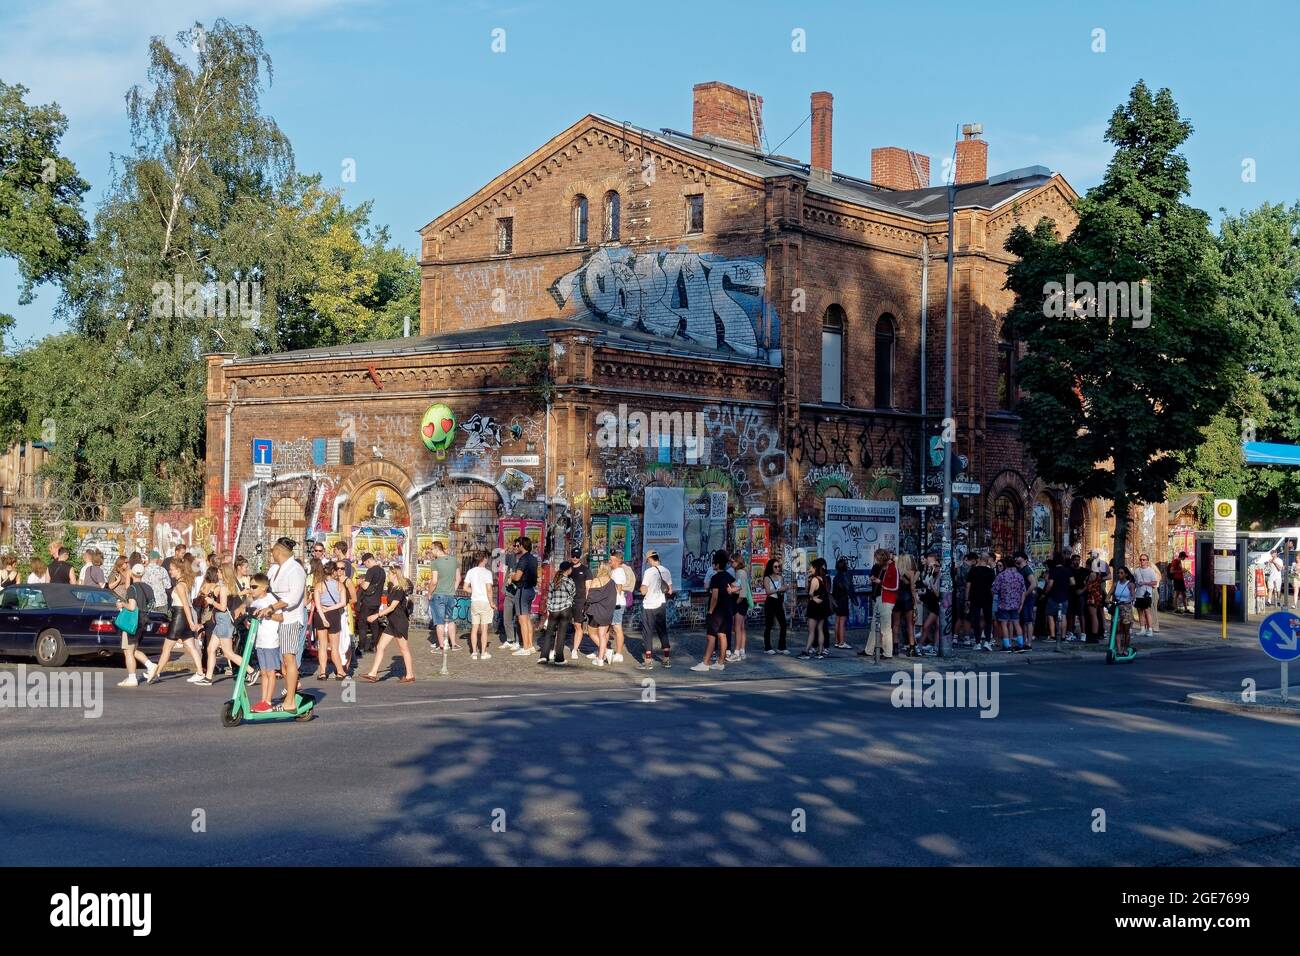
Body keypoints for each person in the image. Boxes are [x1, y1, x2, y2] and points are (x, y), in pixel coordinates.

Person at [259, 537, 308, 706]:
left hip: (290, 620)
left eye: (272, 551)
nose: (271, 554)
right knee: (282, 663)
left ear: (278, 552)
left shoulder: (296, 570)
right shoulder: (276, 569)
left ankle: (290, 700)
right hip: (276, 620)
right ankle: (291, 688)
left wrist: (272, 607)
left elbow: (293, 598)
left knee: (289, 659)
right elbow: (266, 589)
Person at [146, 561, 206, 683]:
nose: (170, 571)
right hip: (183, 616)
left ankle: (156, 673)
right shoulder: (185, 584)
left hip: (179, 616)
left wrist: (190, 622)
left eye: (171, 569)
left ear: (178, 570)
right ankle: (200, 672)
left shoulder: (179, 586)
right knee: (190, 646)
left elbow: (185, 604)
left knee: (167, 648)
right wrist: (190, 622)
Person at [361, 564, 416, 683]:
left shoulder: (399, 590)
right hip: (392, 623)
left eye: (390, 574)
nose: (388, 576)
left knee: (404, 649)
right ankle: (373, 673)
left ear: (395, 574)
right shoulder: (393, 588)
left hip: (400, 623)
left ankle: (410, 675)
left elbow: (392, 607)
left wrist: (377, 615)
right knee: (380, 646)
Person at [199, 564, 247, 685]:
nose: (217, 574)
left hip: (224, 623)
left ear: (223, 574)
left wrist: (212, 602)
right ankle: (208, 677)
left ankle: (250, 670)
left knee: (228, 653)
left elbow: (223, 607)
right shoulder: (224, 587)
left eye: (219, 572)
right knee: (211, 649)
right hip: (220, 622)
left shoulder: (224, 588)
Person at [113, 563, 158, 687]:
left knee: (128, 651)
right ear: (142, 574)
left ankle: (132, 678)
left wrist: (122, 604)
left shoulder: (132, 588)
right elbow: (151, 604)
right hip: (144, 620)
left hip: (133, 621)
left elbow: (132, 607)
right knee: (134, 649)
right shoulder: (149, 588)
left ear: (132, 574)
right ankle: (150, 665)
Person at [246, 573, 286, 712]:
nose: (251, 589)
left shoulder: (271, 600)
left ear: (264, 587)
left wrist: (267, 613)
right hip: (259, 641)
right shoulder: (254, 602)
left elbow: (281, 617)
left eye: (254, 586)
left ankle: (268, 702)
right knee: (263, 673)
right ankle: (263, 700)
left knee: (270, 672)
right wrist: (249, 621)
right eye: (250, 586)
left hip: (270, 640)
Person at [694, 550, 735, 671]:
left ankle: (705, 662)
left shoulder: (715, 578)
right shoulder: (729, 575)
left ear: (717, 565)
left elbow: (715, 597)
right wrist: (732, 591)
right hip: (727, 609)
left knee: (711, 636)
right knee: (722, 635)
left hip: (717, 612)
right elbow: (739, 586)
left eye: (714, 563)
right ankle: (720, 662)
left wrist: (710, 611)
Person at [311, 559, 348, 679]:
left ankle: (322, 672)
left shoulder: (318, 585)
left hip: (321, 615)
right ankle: (340, 671)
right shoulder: (340, 585)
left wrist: (323, 615)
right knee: (334, 647)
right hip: (334, 615)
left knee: (322, 646)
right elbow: (342, 603)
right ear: (334, 572)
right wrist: (331, 608)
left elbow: (317, 604)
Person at [638, 549, 673, 668]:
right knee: (662, 630)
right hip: (661, 603)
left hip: (649, 604)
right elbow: (670, 590)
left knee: (648, 631)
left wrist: (641, 588)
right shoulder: (666, 571)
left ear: (649, 559)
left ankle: (648, 661)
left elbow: (643, 591)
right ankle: (667, 658)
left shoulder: (648, 572)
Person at [537, 561, 575, 665]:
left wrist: (549, 608)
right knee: (561, 634)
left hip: (553, 610)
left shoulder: (553, 581)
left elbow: (549, 597)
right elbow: (572, 596)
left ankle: (543, 656)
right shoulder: (570, 582)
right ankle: (559, 658)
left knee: (548, 634)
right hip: (565, 610)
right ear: (568, 570)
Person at [864, 549, 898, 660]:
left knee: (886, 627)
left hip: (887, 599)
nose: (876, 561)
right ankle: (869, 650)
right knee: (874, 625)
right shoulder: (883, 568)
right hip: (880, 598)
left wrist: (881, 583)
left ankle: (888, 652)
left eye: (877, 559)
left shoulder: (893, 568)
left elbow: (895, 586)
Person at [581, 561, 616, 666]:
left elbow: (590, 597)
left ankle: (605, 652)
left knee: (592, 633)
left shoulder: (596, 580)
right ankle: (601, 658)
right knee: (602, 635)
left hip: (596, 612)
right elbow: (614, 597)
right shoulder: (612, 582)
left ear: (601, 569)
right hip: (608, 612)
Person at [429, 540, 461, 652]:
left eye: (431, 549)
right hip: (450, 595)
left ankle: (442, 646)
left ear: (437, 549)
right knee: (450, 619)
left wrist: (429, 593)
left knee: (439, 621)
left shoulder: (435, 563)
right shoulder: (453, 561)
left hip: (438, 594)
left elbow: (434, 581)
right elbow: (458, 578)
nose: (431, 551)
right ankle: (453, 644)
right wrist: (453, 590)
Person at [462, 550, 495, 659]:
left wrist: (475, 591)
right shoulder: (487, 573)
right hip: (485, 601)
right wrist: (491, 602)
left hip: (475, 601)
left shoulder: (471, 571)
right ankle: (484, 652)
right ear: (484, 559)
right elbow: (489, 589)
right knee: (484, 629)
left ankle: (474, 652)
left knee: (474, 628)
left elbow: (465, 588)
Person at [510, 536, 539, 656]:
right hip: (531, 590)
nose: (517, 546)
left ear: (522, 545)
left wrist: (511, 575)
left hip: (523, 590)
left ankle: (526, 647)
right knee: (527, 619)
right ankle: (530, 645)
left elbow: (517, 577)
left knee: (522, 620)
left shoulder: (523, 559)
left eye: (519, 545)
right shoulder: (533, 558)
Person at [993, 556, 1027, 652]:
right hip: (1016, 603)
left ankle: (1006, 645)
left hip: (1004, 603)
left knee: (1004, 624)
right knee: (1016, 623)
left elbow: (995, 590)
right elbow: (1023, 590)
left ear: (1005, 565)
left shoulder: (1001, 576)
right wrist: (1021, 603)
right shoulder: (1019, 576)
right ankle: (1020, 644)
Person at [608, 552, 636, 664]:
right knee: (607, 627)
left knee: (617, 628)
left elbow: (618, 589)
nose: (610, 562)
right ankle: (603, 650)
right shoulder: (614, 571)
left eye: (612, 560)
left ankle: (619, 654)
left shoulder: (619, 572)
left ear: (618, 561)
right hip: (613, 603)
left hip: (617, 603)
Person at [356, 552, 385, 656]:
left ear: (368, 560)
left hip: (368, 601)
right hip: (377, 601)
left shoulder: (371, 570)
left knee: (362, 624)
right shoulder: (382, 571)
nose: (365, 566)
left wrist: (360, 582)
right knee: (374, 624)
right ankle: (373, 645)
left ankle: (362, 647)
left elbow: (365, 586)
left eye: (365, 563)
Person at [761, 556, 792, 654]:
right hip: (770, 601)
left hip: (779, 601)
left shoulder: (781, 577)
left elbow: (783, 589)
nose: (778, 568)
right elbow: (768, 591)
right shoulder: (767, 578)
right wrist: (779, 589)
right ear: (771, 567)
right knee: (769, 625)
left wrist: (785, 588)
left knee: (783, 624)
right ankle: (767, 647)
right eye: (775, 567)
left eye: (779, 567)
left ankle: (782, 646)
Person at [965, 552, 995, 651]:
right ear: (987, 560)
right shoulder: (991, 572)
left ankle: (977, 642)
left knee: (976, 620)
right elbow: (993, 587)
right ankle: (987, 641)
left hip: (975, 597)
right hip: (987, 597)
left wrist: (967, 598)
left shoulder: (973, 570)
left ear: (979, 559)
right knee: (988, 620)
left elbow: (968, 585)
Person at [892, 554, 918, 657]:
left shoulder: (896, 571)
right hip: (907, 599)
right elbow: (912, 588)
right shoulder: (910, 572)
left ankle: (895, 648)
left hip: (897, 599)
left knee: (896, 624)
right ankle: (912, 648)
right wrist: (915, 602)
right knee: (910, 624)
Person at [566, 547, 589, 658]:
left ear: (580, 557)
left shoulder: (585, 570)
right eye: (573, 556)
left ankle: (574, 649)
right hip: (566, 600)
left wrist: (587, 602)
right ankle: (555, 648)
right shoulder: (567, 568)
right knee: (561, 624)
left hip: (580, 600)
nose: (574, 558)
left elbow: (589, 587)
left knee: (577, 625)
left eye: (577, 556)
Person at [728, 554, 751, 662]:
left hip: (740, 602)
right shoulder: (741, 572)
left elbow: (742, 592)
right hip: (742, 602)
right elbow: (739, 586)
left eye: (732, 561)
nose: (731, 563)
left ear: (738, 562)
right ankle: (742, 651)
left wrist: (737, 601)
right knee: (741, 627)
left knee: (737, 627)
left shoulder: (740, 573)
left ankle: (737, 651)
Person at [1132, 553, 1160, 638]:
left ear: (1147, 561)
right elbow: (1134, 582)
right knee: (1140, 612)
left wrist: (1145, 583)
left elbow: (1155, 582)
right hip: (1138, 594)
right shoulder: (1136, 571)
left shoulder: (1150, 570)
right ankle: (1142, 629)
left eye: (1144, 560)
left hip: (1147, 594)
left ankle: (1150, 630)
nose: (1142, 561)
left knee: (1147, 612)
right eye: (1141, 559)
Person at [917, 555, 941, 654]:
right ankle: (933, 646)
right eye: (932, 566)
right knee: (936, 626)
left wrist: (931, 584)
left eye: (936, 566)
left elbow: (937, 593)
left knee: (928, 625)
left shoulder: (940, 576)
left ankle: (922, 645)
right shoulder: (932, 575)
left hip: (938, 605)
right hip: (932, 603)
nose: (934, 568)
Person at [830, 557, 854, 651]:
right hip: (843, 601)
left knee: (837, 621)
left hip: (836, 601)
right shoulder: (846, 577)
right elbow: (849, 589)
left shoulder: (836, 577)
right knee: (842, 623)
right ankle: (842, 642)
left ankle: (836, 641)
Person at [1111, 565, 1136, 654]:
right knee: (1117, 630)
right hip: (1118, 608)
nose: (1119, 574)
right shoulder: (1115, 583)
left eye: (1121, 573)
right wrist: (1107, 599)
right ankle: (1119, 649)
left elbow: (1133, 595)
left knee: (1126, 631)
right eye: (1118, 573)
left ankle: (1125, 648)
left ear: (1125, 574)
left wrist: (1128, 600)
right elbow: (1110, 593)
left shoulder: (1130, 584)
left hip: (1126, 609)